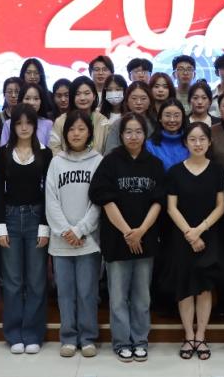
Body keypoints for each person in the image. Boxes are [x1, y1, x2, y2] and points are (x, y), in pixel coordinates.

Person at [89, 113, 166, 363]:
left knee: (142, 296)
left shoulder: (154, 164)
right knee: (118, 297)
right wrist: (127, 232)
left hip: (146, 239)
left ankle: (140, 340)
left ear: (146, 135)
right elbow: (104, 198)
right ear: (121, 135)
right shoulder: (110, 162)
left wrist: (141, 231)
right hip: (116, 239)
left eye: (138, 132)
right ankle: (122, 342)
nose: (134, 136)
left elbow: (159, 201)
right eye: (129, 132)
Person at [166, 122, 224, 361]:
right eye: (193, 139)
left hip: (209, 235)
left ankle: (201, 335)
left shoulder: (218, 171)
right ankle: (188, 335)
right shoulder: (175, 172)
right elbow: (171, 207)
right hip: (181, 237)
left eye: (202, 139)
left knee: (204, 288)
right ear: (185, 143)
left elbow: (221, 206)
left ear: (209, 142)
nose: (198, 143)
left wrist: (199, 230)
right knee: (184, 287)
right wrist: (189, 234)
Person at [45, 110, 104, 359]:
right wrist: (65, 231)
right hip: (61, 240)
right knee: (65, 292)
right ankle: (68, 337)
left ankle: (88, 337)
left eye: (81, 129)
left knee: (87, 291)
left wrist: (80, 230)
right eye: (71, 129)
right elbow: (51, 199)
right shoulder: (56, 162)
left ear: (89, 132)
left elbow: (99, 202)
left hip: (88, 240)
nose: (76, 133)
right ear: (65, 133)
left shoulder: (98, 160)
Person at [0, 104, 52, 355]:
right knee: (13, 281)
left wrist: (45, 226)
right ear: (12, 126)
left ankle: (33, 333)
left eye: (29, 122)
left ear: (35, 126)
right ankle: (13, 333)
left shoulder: (46, 154)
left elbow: (49, 192)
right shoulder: (3, 153)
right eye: (19, 123)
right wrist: (0, 227)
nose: (24, 127)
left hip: (36, 217)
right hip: (10, 218)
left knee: (37, 280)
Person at [49, 77, 110, 154]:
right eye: (77, 94)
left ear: (94, 96)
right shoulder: (60, 121)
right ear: (72, 97)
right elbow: (54, 148)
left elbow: (108, 151)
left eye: (87, 93)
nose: (82, 98)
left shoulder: (103, 121)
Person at [104, 81, 155, 152]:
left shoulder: (155, 124)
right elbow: (110, 152)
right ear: (127, 101)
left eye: (143, 98)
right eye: (134, 98)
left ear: (150, 101)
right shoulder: (118, 124)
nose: (138, 102)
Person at [146, 99, 189, 171]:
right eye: (167, 115)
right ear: (160, 118)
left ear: (183, 118)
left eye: (176, 115)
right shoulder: (149, 145)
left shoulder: (190, 143)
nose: (172, 120)